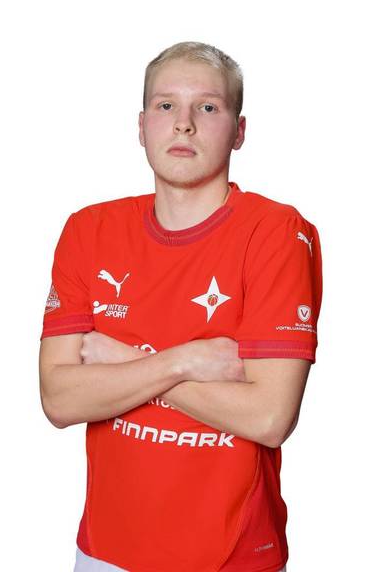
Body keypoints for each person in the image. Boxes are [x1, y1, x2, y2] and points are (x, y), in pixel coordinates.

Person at [39, 41, 322, 572]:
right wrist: (184, 361)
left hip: (232, 556)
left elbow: (268, 417)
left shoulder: (277, 233)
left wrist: (122, 361)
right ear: (141, 125)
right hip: (104, 551)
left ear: (239, 131)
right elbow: (59, 400)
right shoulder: (88, 230)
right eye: (165, 104)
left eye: (208, 107)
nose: (184, 123)